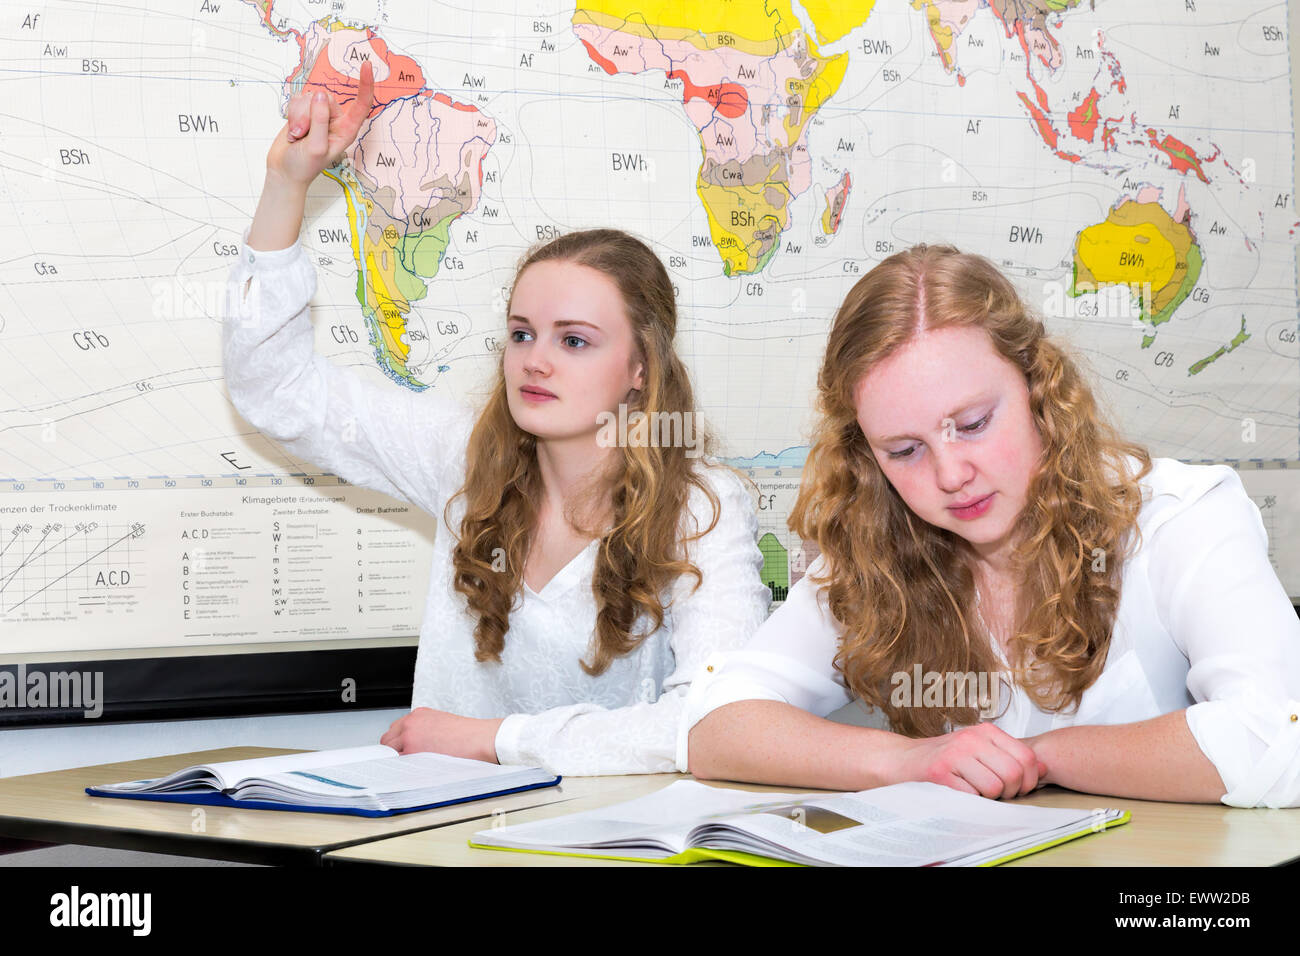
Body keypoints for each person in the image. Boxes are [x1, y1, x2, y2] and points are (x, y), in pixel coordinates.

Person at [224, 63, 770, 775]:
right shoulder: (460, 459)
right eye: (521, 333)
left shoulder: (702, 507)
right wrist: (287, 183)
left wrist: (491, 740)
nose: (534, 361)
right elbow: (276, 390)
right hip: (440, 840)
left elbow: (715, 722)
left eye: (573, 340)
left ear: (641, 369)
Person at [686, 243, 1300, 807]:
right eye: (904, 450)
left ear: (1038, 387)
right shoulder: (875, 549)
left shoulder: (1180, 517)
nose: (951, 474)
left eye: (974, 423)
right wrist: (912, 759)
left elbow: (1276, 733)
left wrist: (1042, 760)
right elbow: (719, 725)